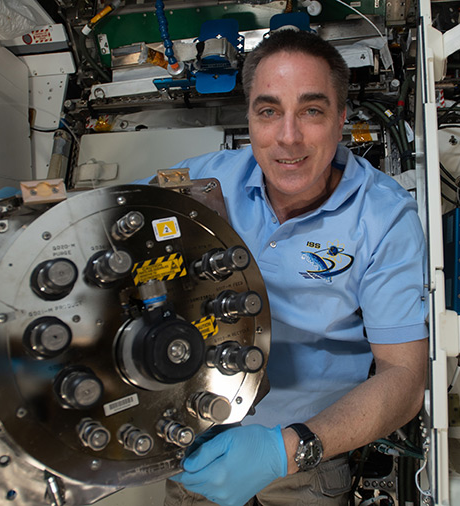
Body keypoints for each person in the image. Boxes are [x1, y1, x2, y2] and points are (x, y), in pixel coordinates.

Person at [163, 29, 429, 506]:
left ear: (341, 119)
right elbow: (105, 220)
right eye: (269, 111)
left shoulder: (384, 219)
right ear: (249, 117)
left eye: (311, 110)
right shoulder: (203, 182)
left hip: (306, 456)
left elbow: (404, 379)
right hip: (197, 442)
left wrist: (284, 450)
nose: (288, 136)